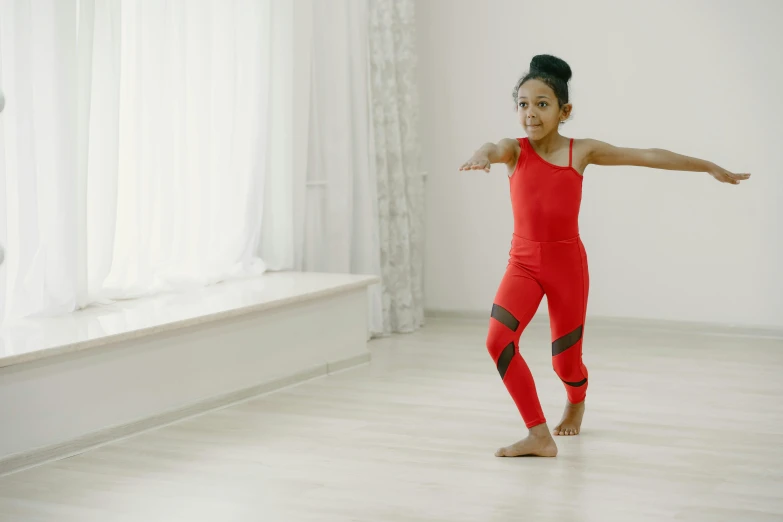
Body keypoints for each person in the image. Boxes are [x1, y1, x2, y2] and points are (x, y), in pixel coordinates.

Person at [459, 54, 750, 458]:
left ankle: (576, 399)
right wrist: (480, 155)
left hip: (566, 268)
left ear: (565, 110)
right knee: (497, 340)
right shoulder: (514, 151)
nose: (530, 113)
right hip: (522, 264)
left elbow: (647, 155)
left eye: (542, 104)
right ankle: (538, 434)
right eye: (523, 104)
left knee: (565, 364)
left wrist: (706, 166)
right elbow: (493, 146)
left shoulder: (581, 152)